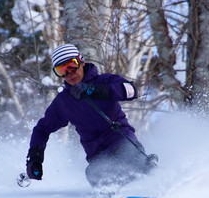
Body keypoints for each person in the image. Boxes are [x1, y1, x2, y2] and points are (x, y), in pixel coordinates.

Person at [25, 44, 156, 188]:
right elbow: (41, 130)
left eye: (71, 65)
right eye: (62, 71)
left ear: (81, 61)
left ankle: (150, 186)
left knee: (132, 161)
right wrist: (35, 159)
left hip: (123, 143)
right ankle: (112, 197)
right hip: (99, 156)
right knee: (93, 173)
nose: (69, 73)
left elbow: (131, 91)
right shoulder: (64, 102)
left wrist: (93, 90)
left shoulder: (105, 81)